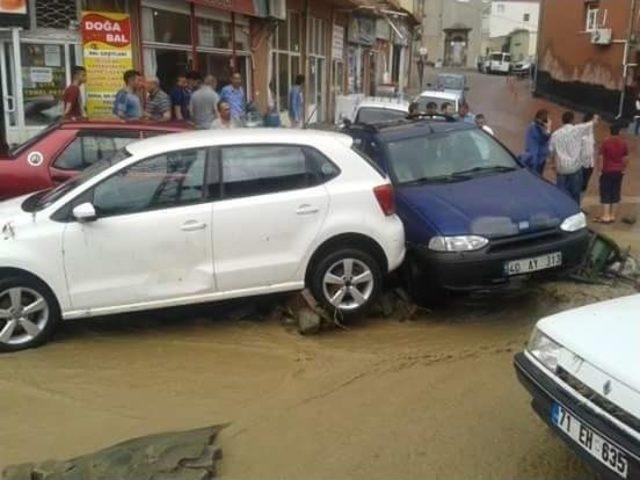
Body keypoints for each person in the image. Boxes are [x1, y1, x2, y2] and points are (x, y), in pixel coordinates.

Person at [549, 110, 599, 204]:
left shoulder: (555, 134)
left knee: (560, 194)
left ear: (562, 121)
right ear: (572, 120)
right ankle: (574, 211)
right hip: (575, 168)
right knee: (575, 194)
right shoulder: (577, 129)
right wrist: (595, 117)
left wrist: (552, 164)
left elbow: (551, 151)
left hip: (562, 168)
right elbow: (592, 123)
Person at [596, 122, 629, 224]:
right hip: (618, 171)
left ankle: (605, 216)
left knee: (605, 191)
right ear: (619, 132)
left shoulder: (605, 142)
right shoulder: (623, 143)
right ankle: (613, 215)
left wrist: (599, 170)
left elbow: (600, 157)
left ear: (610, 132)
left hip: (607, 170)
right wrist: (623, 169)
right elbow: (625, 158)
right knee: (615, 191)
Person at [521, 109, 552, 175]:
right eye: (547, 119)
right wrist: (548, 129)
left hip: (540, 159)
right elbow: (543, 139)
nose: (549, 121)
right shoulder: (535, 128)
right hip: (534, 160)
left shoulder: (540, 128)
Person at [579, 112, 596, 194]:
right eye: (594, 119)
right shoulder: (581, 131)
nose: (596, 121)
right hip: (581, 163)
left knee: (584, 186)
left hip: (589, 164)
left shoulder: (591, 132)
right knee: (577, 185)